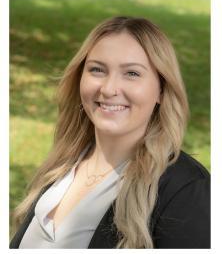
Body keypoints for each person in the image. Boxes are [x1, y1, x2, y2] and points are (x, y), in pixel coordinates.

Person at [10, 16, 210, 249]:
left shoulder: (187, 190)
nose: (108, 89)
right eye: (97, 70)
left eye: (132, 73)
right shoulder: (63, 165)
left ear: (162, 91)